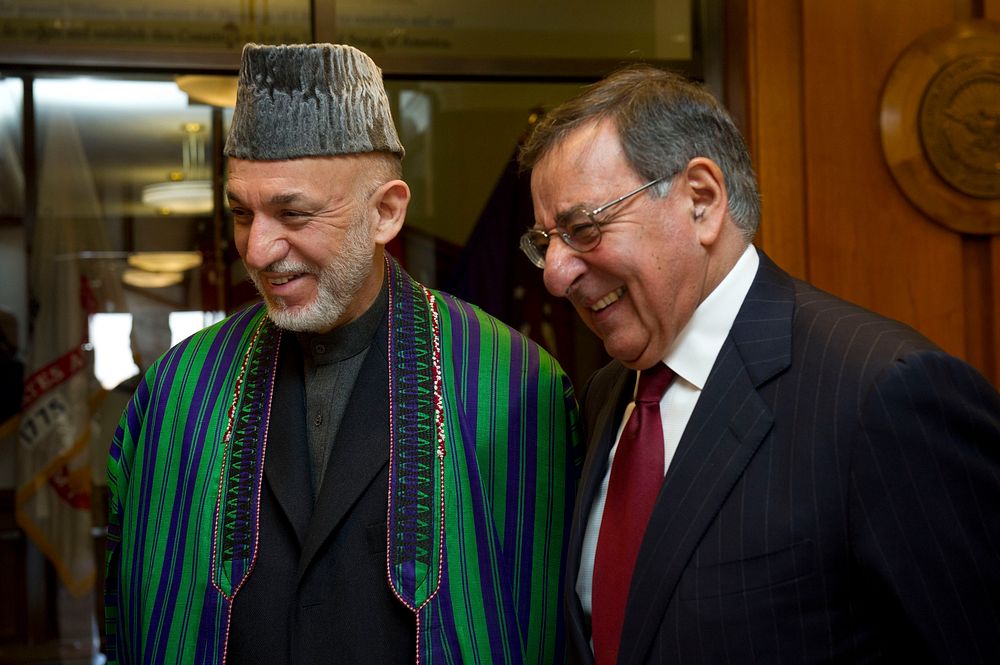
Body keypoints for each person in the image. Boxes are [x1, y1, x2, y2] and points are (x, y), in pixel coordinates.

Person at [105, 43, 582, 664]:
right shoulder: (180, 390)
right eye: (241, 214)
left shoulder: (512, 385)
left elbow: (555, 622)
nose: (257, 250)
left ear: (385, 212)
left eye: (292, 213)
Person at [518, 64, 1000, 665]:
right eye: (546, 242)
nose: (556, 275)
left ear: (701, 201)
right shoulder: (606, 396)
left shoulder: (882, 394)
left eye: (583, 228)